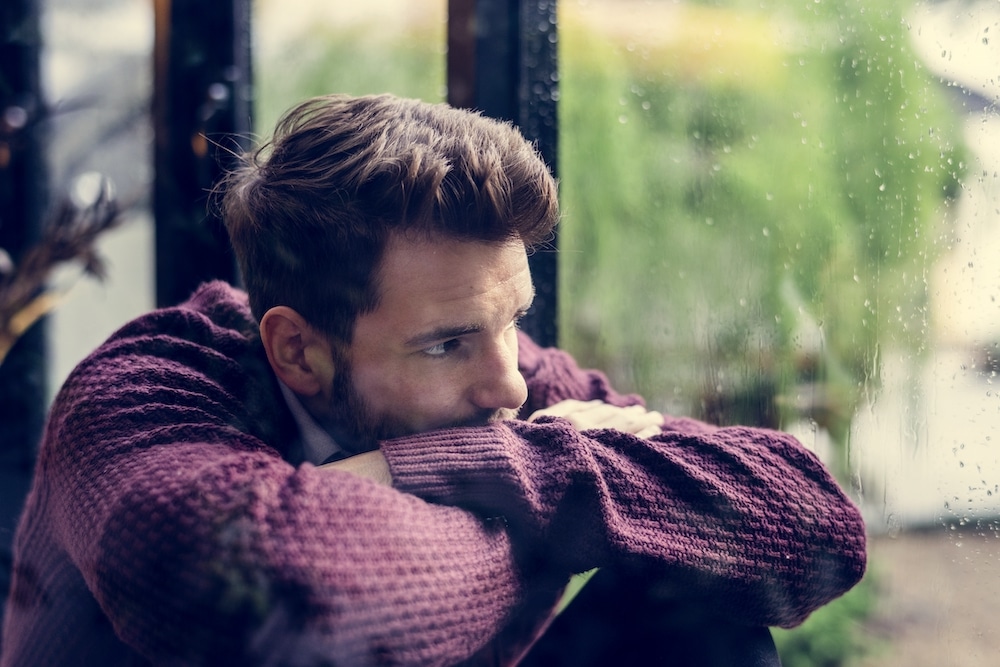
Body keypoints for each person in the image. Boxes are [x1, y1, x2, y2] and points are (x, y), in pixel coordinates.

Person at [0, 93, 866, 666]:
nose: (510, 388)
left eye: (513, 319)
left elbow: (813, 529)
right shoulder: (138, 397)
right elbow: (281, 605)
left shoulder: (503, 380)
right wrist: (569, 506)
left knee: (706, 623)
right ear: (298, 350)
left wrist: (456, 467)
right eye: (447, 344)